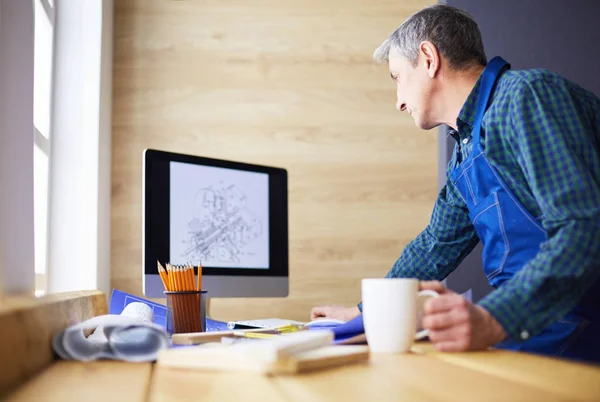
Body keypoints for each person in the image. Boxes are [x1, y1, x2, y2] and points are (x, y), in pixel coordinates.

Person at [311, 4, 600, 363]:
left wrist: (495, 318)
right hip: (530, 324)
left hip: (575, 322)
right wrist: (365, 312)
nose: (399, 102)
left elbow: (583, 227)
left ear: (428, 58)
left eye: (397, 77)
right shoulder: (465, 151)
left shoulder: (527, 96)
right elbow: (434, 245)